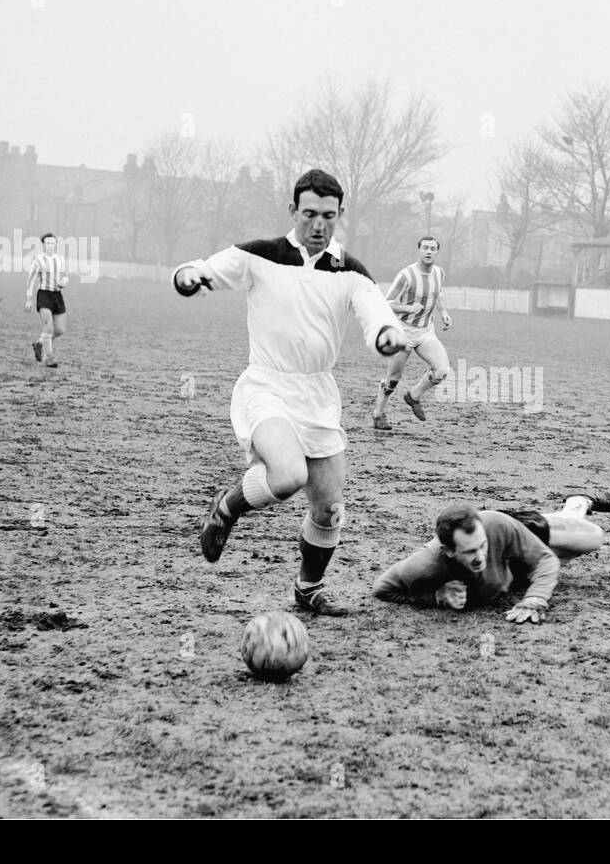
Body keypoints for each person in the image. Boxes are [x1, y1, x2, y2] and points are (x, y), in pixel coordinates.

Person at [174, 169, 406, 617]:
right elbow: (204, 269)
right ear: (293, 211)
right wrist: (188, 275)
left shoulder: (350, 270)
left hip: (317, 394)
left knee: (330, 508)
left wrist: (386, 335)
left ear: (339, 215)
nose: (318, 225)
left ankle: (309, 588)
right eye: (309, 214)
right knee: (286, 475)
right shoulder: (260, 255)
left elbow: (375, 314)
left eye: (329, 216)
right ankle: (226, 507)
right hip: (266, 386)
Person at [372, 491, 610, 624]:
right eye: (470, 551)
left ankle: (577, 503)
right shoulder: (427, 563)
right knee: (554, 564)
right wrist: (435, 596)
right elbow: (383, 588)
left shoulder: (496, 527)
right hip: (509, 569)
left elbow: (544, 560)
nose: (480, 555)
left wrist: (535, 599)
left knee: (593, 537)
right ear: (449, 551)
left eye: (482, 546)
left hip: (520, 529)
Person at [372, 236, 452, 429]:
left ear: (437, 252)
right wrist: (408, 309)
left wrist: (444, 313)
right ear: (419, 250)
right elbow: (387, 303)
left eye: (433, 248)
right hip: (402, 332)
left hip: (425, 332)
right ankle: (378, 415)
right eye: (425, 247)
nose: (429, 251)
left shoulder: (439, 273)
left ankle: (414, 395)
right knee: (393, 379)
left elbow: (438, 294)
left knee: (442, 371)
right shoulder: (406, 275)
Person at [24, 233, 68, 368]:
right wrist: (28, 299)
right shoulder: (38, 260)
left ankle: (39, 343)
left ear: (55, 244)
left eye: (52, 243)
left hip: (57, 296)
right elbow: (30, 280)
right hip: (44, 295)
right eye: (47, 243)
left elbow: (65, 276)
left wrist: (63, 283)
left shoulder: (60, 259)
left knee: (60, 330)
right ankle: (49, 358)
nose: (50, 246)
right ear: (43, 245)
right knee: (48, 328)